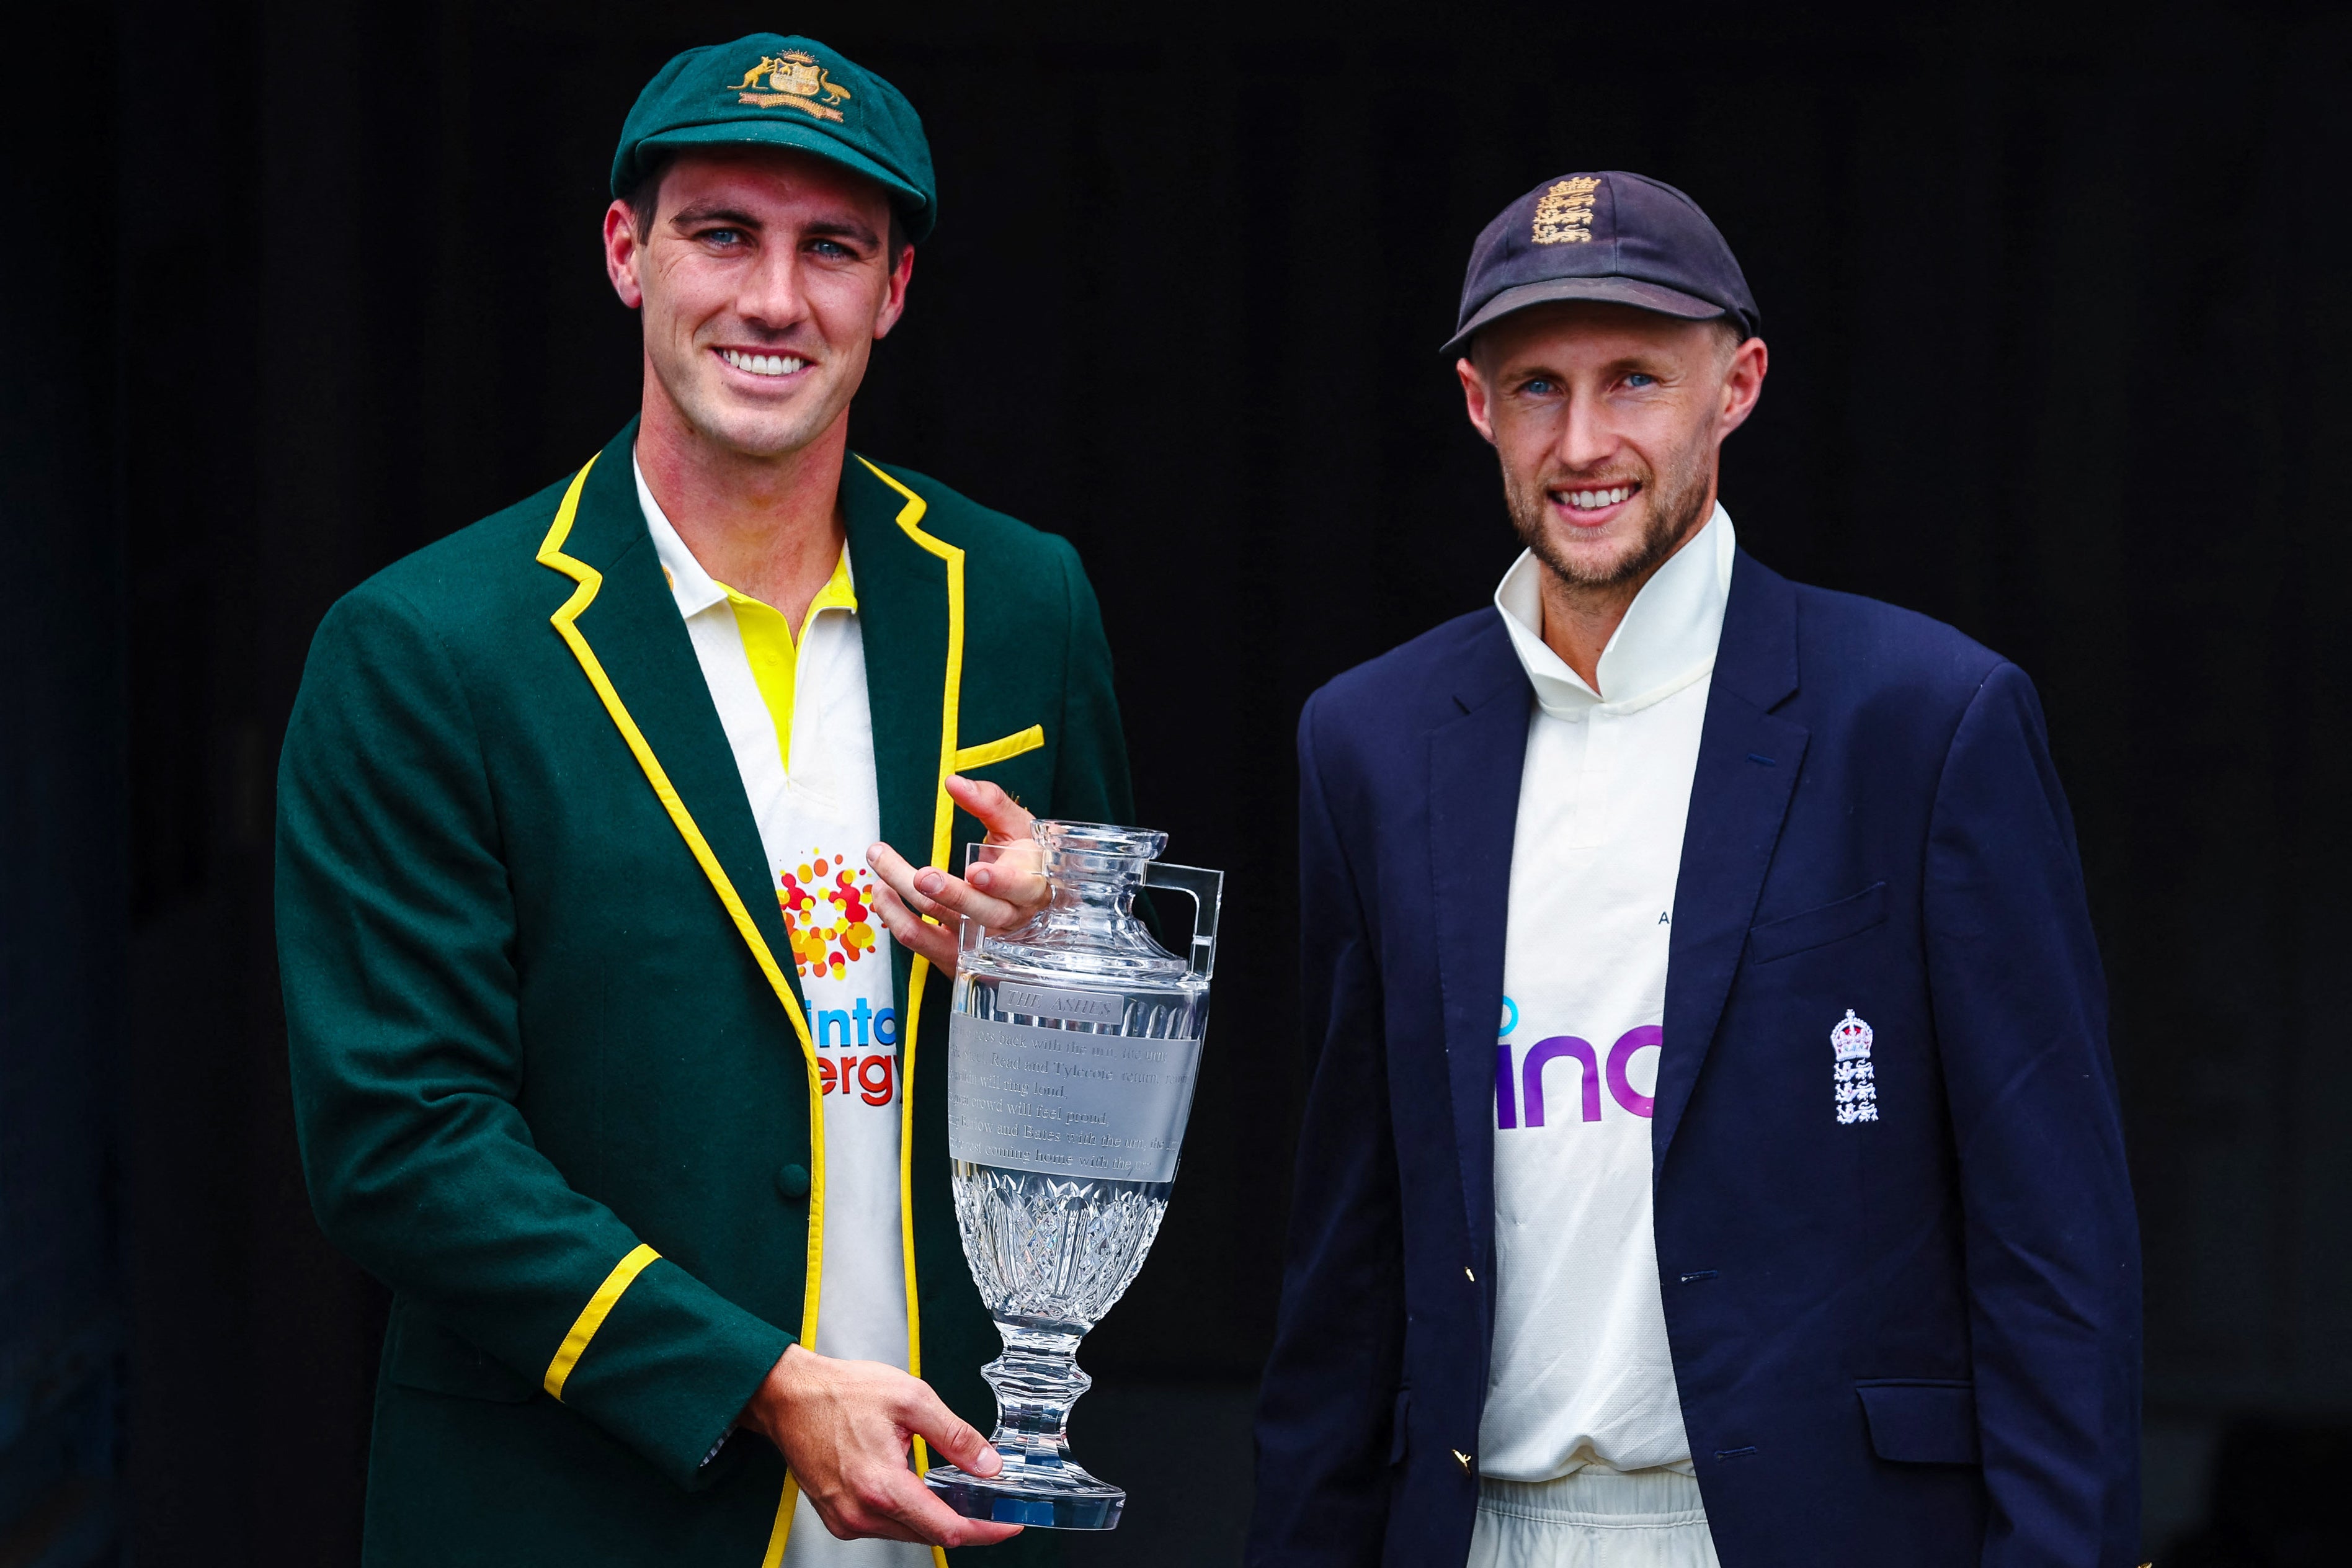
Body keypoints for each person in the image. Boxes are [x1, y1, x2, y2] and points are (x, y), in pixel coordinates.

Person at [277, 33, 1131, 1567]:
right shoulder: (428, 647)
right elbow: (401, 1141)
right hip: (577, 1515)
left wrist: (1062, 954)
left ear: (895, 290)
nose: (775, 299)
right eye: (723, 234)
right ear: (628, 253)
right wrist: (759, 1383)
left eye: (833, 249)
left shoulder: (1021, 601)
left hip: (954, 1513)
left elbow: (1117, 1072)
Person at [1247, 172, 2141, 1566]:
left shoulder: (1923, 719)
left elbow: (2053, 1237)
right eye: (1537, 387)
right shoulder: (1368, 741)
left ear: (1739, 385)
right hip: (1479, 1528)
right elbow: (1347, 1258)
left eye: (1636, 380)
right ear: (1478, 405)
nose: (1583, 442)